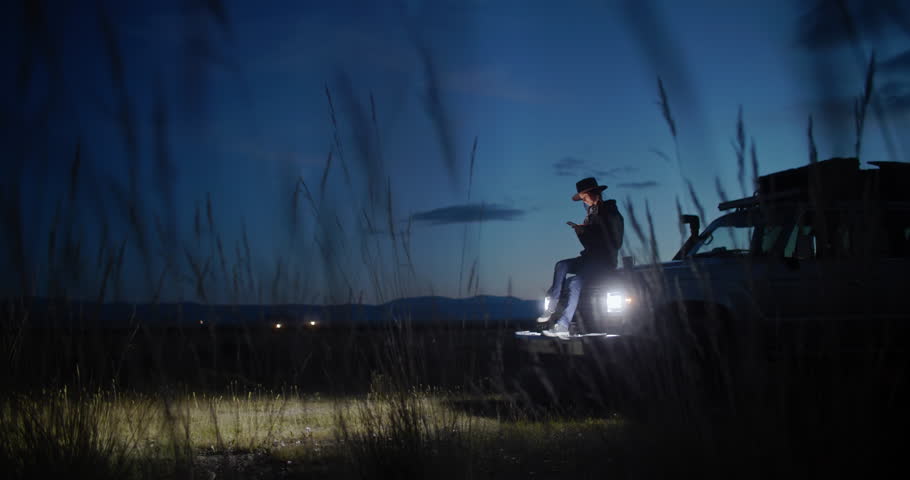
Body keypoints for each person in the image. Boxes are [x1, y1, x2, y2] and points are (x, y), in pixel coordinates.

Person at [539, 177, 624, 337]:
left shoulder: (611, 213)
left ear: (595, 193)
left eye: (585, 197)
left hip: (603, 261)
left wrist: (589, 230)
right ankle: (552, 306)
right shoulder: (591, 215)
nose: (584, 202)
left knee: (576, 282)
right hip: (589, 258)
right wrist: (581, 232)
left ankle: (563, 324)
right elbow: (590, 245)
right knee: (561, 265)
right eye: (582, 199)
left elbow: (615, 242)